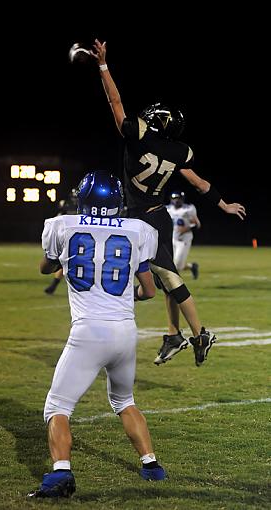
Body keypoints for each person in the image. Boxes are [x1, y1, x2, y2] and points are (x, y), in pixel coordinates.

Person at [90, 39, 246, 367]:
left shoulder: (137, 136)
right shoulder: (177, 152)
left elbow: (114, 100)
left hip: (144, 219)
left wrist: (103, 66)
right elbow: (198, 182)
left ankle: (201, 332)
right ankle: (174, 334)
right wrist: (223, 204)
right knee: (166, 278)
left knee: (169, 277)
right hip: (156, 216)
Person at [28, 170, 165, 499]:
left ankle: (61, 474)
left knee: (57, 407)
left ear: (83, 199)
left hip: (89, 332)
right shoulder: (139, 230)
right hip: (125, 332)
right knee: (124, 400)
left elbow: (45, 268)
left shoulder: (62, 225)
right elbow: (148, 291)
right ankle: (151, 465)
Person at [44, 188, 78, 295]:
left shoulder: (84, 207)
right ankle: (54, 285)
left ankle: (54, 285)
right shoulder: (66, 205)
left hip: (78, 238)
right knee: (64, 262)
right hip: (68, 237)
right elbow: (59, 218)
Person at [167, 191, 201, 279]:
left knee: (177, 265)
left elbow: (197, 224)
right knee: (175, 264)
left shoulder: (188, 209)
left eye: (178, 198)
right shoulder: (167, 209)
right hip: (172, 239)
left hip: (184, 239)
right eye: (174, 198)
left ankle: (173, 285)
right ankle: (192, 266)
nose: (176, 201)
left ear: (182, 199)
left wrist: (187, 228)